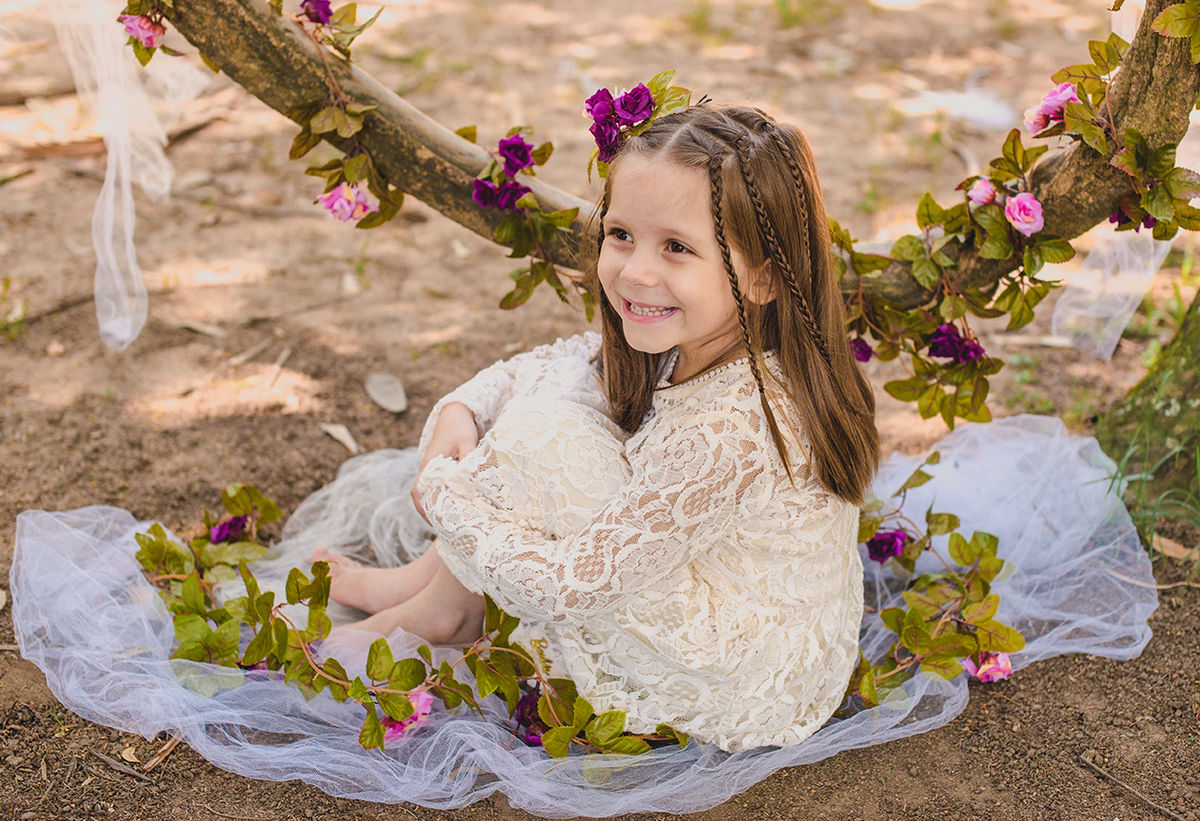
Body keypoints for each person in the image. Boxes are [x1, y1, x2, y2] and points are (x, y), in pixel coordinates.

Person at [313, 103, 882, 752]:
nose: (637, 271)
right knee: (556, 399)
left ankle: (443, 607)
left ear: (761, 275)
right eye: (621, 235)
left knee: (547, 436)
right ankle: (439, 586)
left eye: (676, 246)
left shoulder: (733, 430)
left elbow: (571, 585)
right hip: (712, 593)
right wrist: (461, 409)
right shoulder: (705, 331)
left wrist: (449, 496)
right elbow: (556, 364)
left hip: (735, 671)